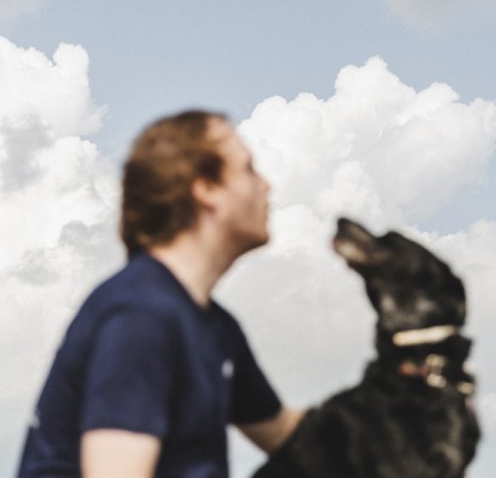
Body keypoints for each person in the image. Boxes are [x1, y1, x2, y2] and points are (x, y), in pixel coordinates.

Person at [17, 110, 303, 477]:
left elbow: (285, 435)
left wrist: (394, 398)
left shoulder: (215, 326)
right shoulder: (141, 316)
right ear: (206, 189)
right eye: (248, 170)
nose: (266, 185)